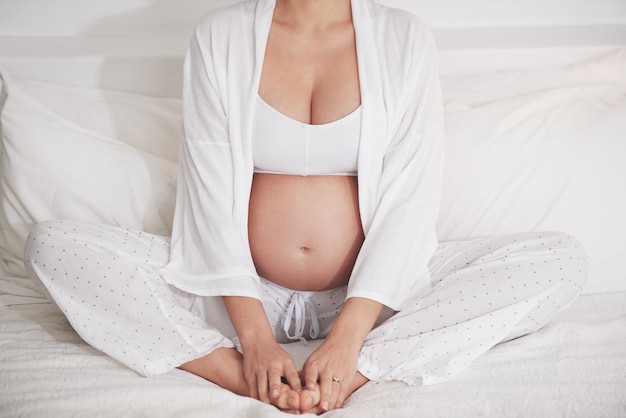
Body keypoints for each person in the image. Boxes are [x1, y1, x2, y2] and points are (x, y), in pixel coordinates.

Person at [23, 0, 587, 414]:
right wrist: (255, 344)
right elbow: (209, 193)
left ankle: (364, 372)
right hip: (241, 298)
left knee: (561, 260)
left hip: (376, 305)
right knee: (52, 246)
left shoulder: (402, 37)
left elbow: (408, 200)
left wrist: (347, 345)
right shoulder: (221, 35)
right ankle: (227, 372)